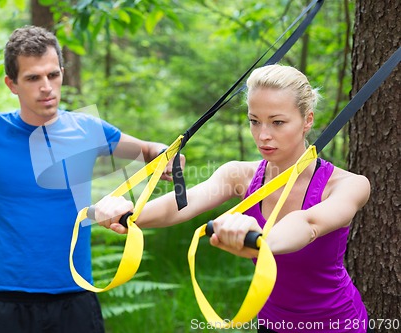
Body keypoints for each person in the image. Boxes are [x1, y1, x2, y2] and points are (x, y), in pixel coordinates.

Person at [0, 26, 184, 333]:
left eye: (53, 75)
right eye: (33, 78)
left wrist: (166, 154)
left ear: (62, 72)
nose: (46, 87)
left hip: (76, 297)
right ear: (12, 84)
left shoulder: (86, 128)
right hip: (6, 303)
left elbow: (147, 150)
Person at [92, 64, 372, 333]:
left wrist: (260, 240)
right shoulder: (239, 175)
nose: (263, 135)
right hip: (270, 322)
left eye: (277, 122)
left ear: (307, 120)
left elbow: (308, 224)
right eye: (254, 121)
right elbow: (182, 205)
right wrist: (128, 213)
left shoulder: (347, 185)